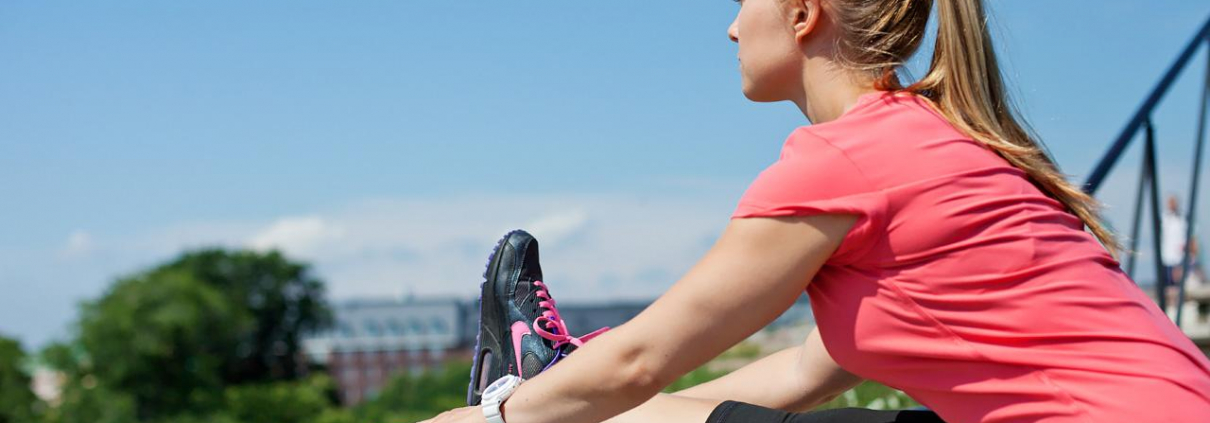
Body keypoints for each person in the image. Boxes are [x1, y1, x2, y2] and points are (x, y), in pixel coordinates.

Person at [424, 0, 1210, 422]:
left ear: (802, 14)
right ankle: (543, 379)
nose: (731, 25)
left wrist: (495, 421)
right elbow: (802, 376)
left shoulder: (848, 160)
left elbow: (641, 359)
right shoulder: (943, 144)